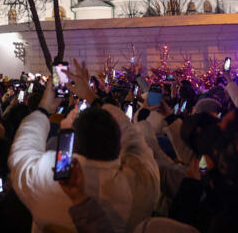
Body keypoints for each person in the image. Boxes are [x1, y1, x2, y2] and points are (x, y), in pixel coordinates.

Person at [9, 59, 159, 232]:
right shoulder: (141, 184)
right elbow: (133, 138)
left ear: (73, 141)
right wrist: (92, 97)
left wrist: (44, 108)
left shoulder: (44, 181)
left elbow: (21, 151)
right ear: (118, 141)